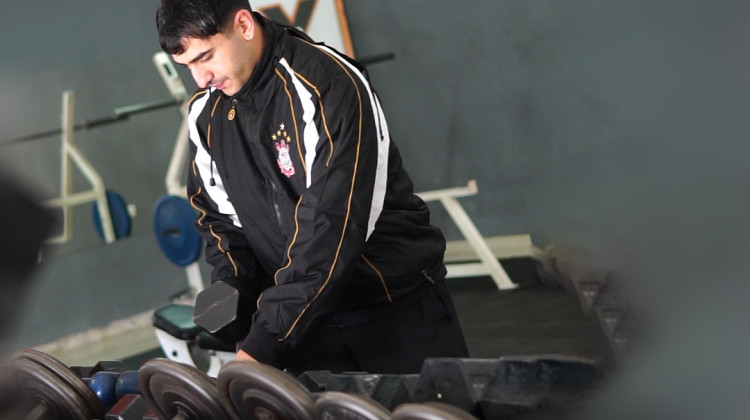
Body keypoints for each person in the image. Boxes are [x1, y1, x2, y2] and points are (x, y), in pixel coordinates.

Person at [156, 0, 469, 375]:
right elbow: (220, 226)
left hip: (391, 311)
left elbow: (331, 226)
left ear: (243, 25)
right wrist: (221, 322)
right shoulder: (204, 115)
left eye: (206, 56)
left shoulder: (328, 83)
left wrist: (263, 342)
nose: (200, 78)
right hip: (304, 326)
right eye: (187, 65)